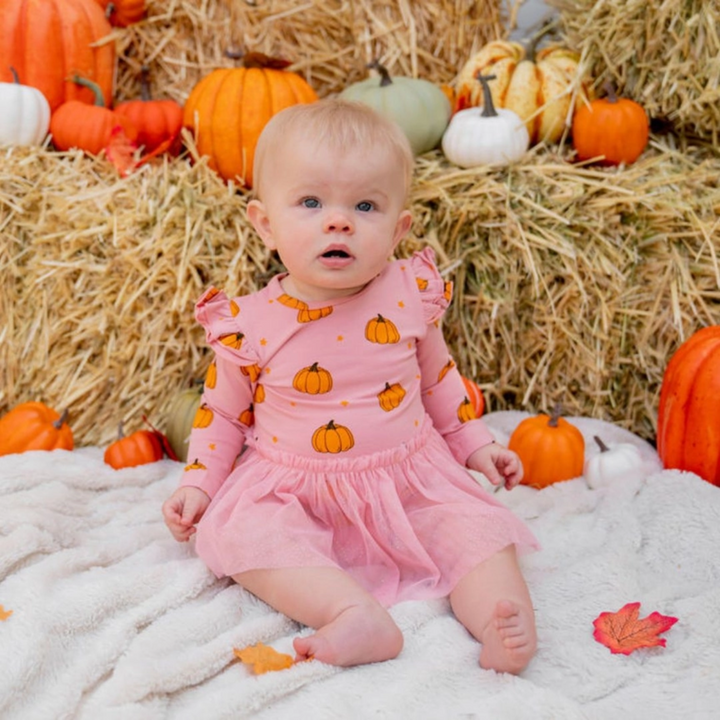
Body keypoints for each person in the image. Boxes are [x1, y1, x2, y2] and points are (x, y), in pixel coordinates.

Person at [162, 98, 539, 674]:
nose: (338, 221)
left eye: (365, 205)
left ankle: (500, 616)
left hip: (408, 478)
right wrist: (200, 484)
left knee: (473, 528)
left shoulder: (411, 292)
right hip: (295, 489)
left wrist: (474, 444)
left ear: (398, 228)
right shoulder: (249, 324)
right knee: (245, 537)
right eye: (311, 203)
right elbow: (222, 415)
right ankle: (349, 612)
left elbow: (439, 382)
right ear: (265, 224)